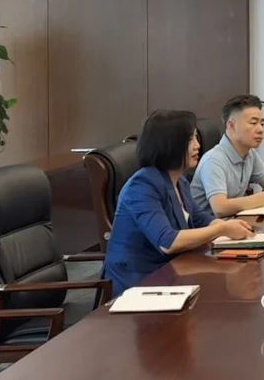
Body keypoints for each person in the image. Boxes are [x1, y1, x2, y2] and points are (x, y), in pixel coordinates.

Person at [104, 110, 255, 296]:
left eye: (196, 138)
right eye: (190, 140)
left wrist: (223, 225)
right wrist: (221, 229)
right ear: (170, 143)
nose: (197, 145)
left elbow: (199, 218)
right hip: (139, 285)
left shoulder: (179, 180)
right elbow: (168, 242)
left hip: (172, 273)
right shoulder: (142, 185)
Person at [191, 94, 264, 216]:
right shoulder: (213, 160)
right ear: (231, 126)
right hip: (210, 226)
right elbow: (220, 208)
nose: (260, 129)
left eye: (262, 123)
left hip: (235, 222)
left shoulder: (250, 153)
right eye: (253, 123)